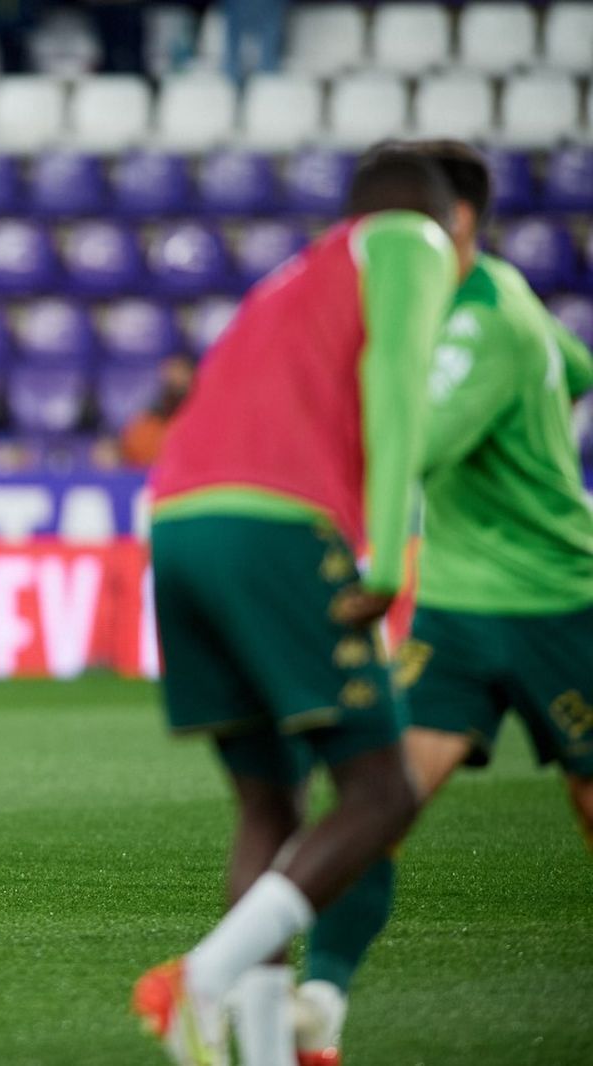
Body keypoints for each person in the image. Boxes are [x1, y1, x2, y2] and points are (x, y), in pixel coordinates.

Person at [129, 149, 460, 1066]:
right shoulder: (410, 240)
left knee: (270, 808)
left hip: (179, 521)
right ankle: (205, 979)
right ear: (445, 218)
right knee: (381, 789)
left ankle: (267, 1054)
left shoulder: (294, 278)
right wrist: (391, 554)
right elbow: (396, 390)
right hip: (276, 521)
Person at [294, 140, 593, 1066]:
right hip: (458, 611)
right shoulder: (508, 300)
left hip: (560, 603)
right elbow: (577, 369)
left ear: (454, 224)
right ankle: (320, 1005)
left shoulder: (484, 318)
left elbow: (410, 444)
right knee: (383, 801)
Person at [118, 355, 195, 469]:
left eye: (181, 374)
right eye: (171, 375)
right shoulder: (150, 417)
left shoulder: (203, 410)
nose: (175, 379)